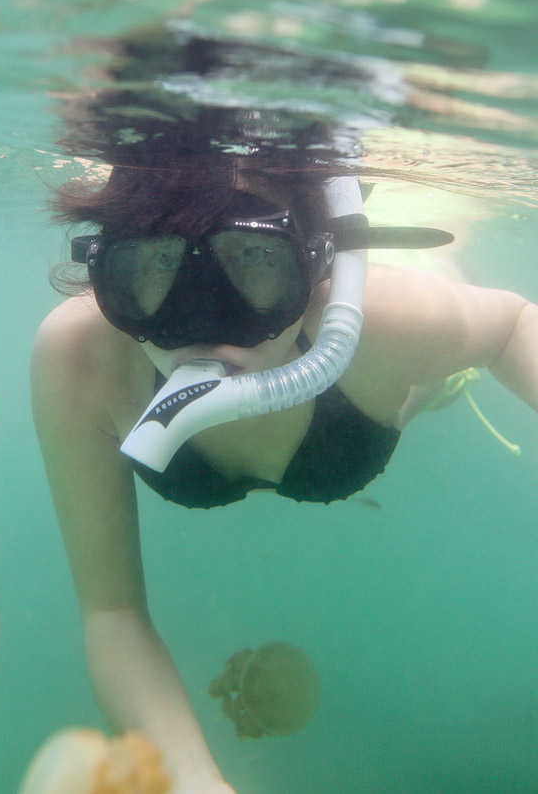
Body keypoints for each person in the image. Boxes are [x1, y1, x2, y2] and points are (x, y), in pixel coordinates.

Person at [30, 150, 537, 794]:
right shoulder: (83, 358)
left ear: (316, 266)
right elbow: (112, 613)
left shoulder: (385, 320)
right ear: (108, 269)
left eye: (253, 256)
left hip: (410, 350)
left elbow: (511, 325)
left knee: (439, 296)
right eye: (155, 262)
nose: (200, 324)